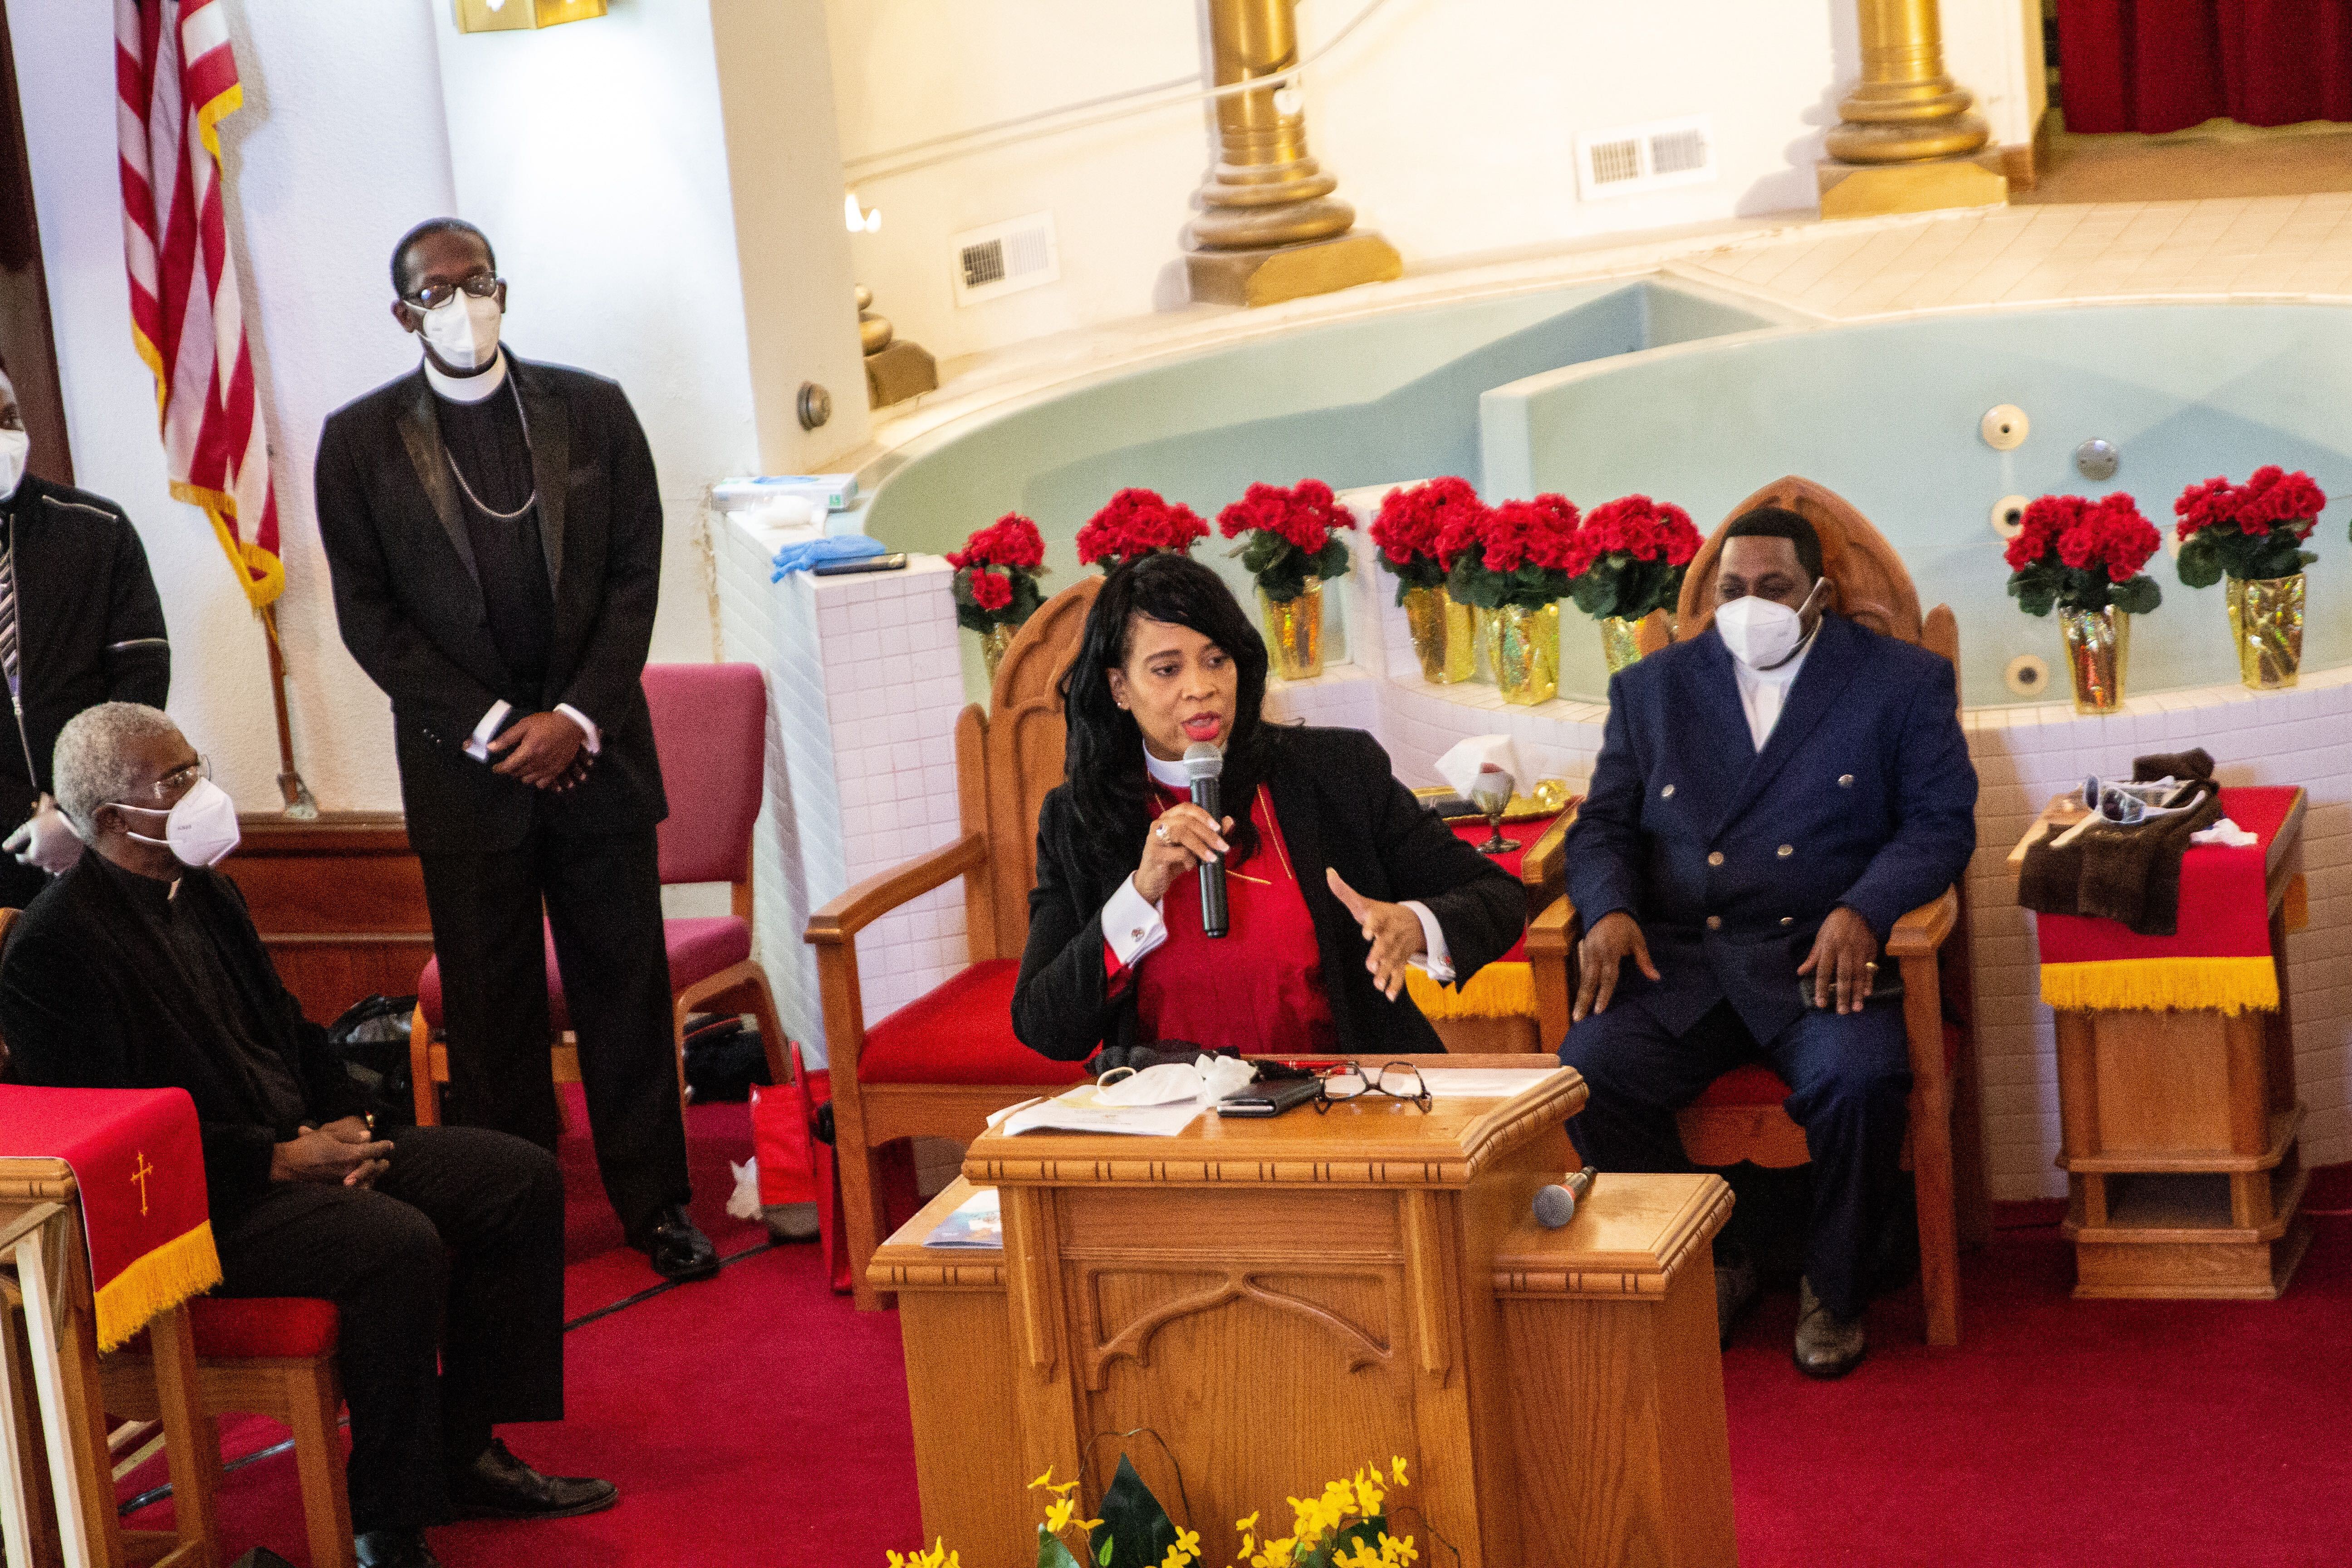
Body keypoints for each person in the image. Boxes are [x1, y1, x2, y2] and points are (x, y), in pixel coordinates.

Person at [0, 704, 615, 1568]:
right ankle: (386, 1520)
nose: (201, 791)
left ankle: (463, 1447)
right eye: (175, 780)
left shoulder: (206, 888)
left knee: (514, 1177)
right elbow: (108, 1138)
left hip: (302, 1146)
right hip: (205, 1200)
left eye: (194, 765)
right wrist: (280, 1160)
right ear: (108, 821)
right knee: (395, 1243)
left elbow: (289, 1029)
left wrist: (346, 1122)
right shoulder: (52, 947)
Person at [312, 218, 714, 1281]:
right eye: (435, 292)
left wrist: (574, 716)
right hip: (465, 773)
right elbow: (369, 617)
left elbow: (636, 574)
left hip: (598, 753)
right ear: (404, 314)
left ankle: (656, 1201)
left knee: (623, 992)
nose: (460, 302)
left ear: (504, 287)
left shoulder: (591, 408)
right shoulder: (356, 443)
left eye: (474, 280)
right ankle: (515, 1215)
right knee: (492, 1018)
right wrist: (494, 729)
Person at [1558, 506, 1976, 1379]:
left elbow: (1938, 827)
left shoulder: (1898, 682)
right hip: (1685, 961)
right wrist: (1605, 910)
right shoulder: (1653, 687)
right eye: (1732, 589)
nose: (1750, 605)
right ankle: (1711, 1260)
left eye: (1773, 588)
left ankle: (1834, 1283)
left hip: (1819, 958)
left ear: (1817, 594)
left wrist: (1864, 908)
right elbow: (1599, 824)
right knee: (1586, 1071)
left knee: (1857, 1081)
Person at [1013, 553, 1524, 1063]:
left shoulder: (1336, 771)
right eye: (1167, 669)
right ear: (1119, 687)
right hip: (1177, 1123)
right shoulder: (1077, 819)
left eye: (1217, 660)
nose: (1201, 687)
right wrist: (1140, 893)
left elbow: (1497, 895)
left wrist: (1416, 924)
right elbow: (1045, 1026)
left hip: (1343, 1100)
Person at [0, 367, 170, 907]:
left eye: (8, 417)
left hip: (102, 838)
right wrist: (26, 814)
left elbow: (139, 683)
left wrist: (76, 814)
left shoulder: (98, 529)